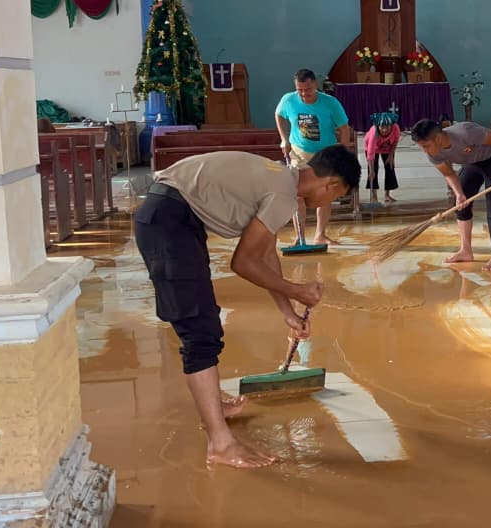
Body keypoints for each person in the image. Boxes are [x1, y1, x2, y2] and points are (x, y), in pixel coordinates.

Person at [134, 146, 361, 468]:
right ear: (332, 185)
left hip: (173, 217)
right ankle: (220, 443)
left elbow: (265, 256)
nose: (329, 204)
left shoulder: (281, 181)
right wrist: (297, 289)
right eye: (336, 198)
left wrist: (288, 312)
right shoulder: (282, 194)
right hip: (168, 221)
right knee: (200, 332)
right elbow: (242, 263)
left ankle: (214, 407)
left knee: (204, 323)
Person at [411, 118, 491, 271]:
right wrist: (459, 194)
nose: (425, 151)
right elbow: (449, 174)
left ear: (438, 138)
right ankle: (466, 250)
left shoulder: (466, 132)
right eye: (422, 147)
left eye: (426, 146)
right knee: (461, 203)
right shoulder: (433, 154)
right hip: (472, 163)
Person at [275, 69, 352, 245]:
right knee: (297, 195)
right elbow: (279, 114)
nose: (303, 94)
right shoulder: (288, 100)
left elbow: (344, 127)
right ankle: (299, 237)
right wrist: (284, 139)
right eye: (300, 90)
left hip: (325, 155)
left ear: (315, 85)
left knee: (324, 194)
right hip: (299, 153)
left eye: (307, 90)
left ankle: (320, 234)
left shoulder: (330, 103)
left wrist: (342, 152)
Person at [365, 112, 400, 204]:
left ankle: (387, 195)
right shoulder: (373, 133)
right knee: (373, 172)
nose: (384, 130)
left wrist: (391, 155)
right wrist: (371, 169)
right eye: (382, 127)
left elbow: (395, 141)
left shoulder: (395, 128)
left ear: (391, 126)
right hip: (372, 150)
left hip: (387, 149)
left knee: (390, 169)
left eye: (387, 127)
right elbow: (370, 153)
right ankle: (374, 197)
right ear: (378, 126)